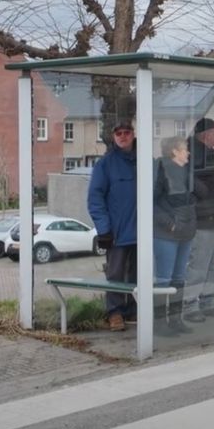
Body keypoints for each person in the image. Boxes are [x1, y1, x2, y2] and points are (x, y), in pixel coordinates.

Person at [88, 120, 138, 331]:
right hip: (117, 233)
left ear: (133, 134)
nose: (123, 136)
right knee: (115, 274)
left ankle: (134, 309)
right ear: (113, 136)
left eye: (127, 132)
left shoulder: (143, 160)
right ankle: (115, 313)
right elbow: (95, 199)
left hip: (141, 231)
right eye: (119, 133)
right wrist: (104, 229)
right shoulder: (105, 164)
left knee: (138, 273)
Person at [153, 135, 202, 335]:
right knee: (164, 279)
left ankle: (175, 320)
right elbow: (150, 201)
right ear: (174, 151)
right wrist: (169, 224)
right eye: (185, 149)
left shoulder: (186, 172)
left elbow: (197, 194)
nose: (188, 152)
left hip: (186, 230)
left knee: (179, 278)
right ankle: (159, 323)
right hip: (167, 233)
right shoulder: (161, 171)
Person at [185, 117, 214, 321]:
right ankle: (190, 305)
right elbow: (192, 182)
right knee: (199, 264)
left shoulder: (208, 155)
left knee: (213, 264)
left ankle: (208, 301)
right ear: (206, 135)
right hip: (203, 218)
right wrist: (206, 194)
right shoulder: (195, 155)